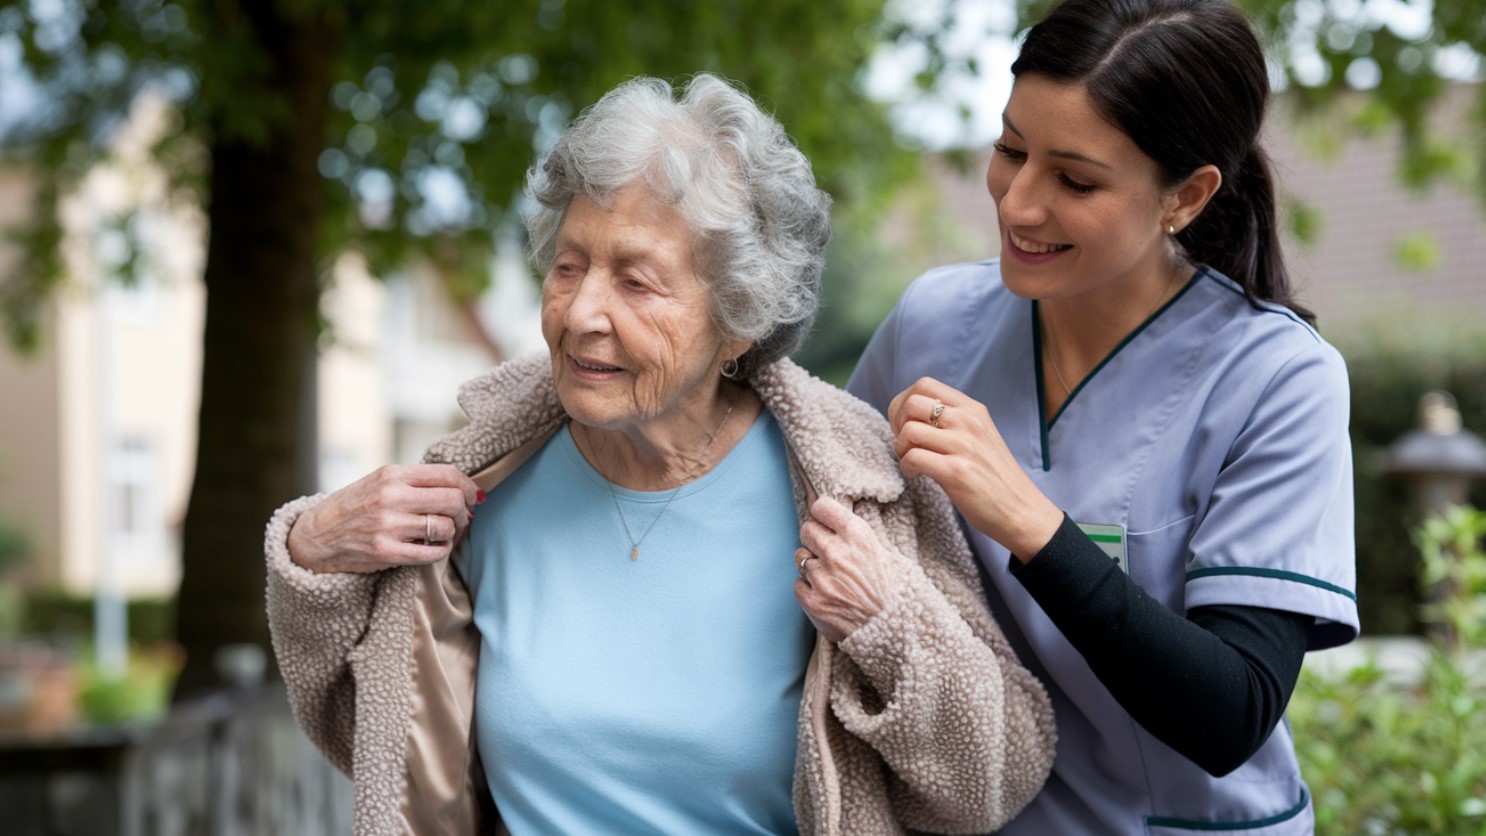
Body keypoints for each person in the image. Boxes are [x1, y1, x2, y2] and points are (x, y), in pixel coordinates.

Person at [265, 73, 1056, 835]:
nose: (581, 314)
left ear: (739, 318)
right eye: (567, 267)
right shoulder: (477, 483)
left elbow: (996, 779)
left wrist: (891, 624)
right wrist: (313, 558)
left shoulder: (856, 485)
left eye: (636, 282)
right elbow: (369, 743)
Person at [847, 1, 1358, 832]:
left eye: (1074, 180)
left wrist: (1031, 524)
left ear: (1185, 198)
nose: (1017, 203)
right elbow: (827, 503)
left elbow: (1233, 713)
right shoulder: (932, 320)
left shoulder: (1279, 380)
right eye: (1011, 149)